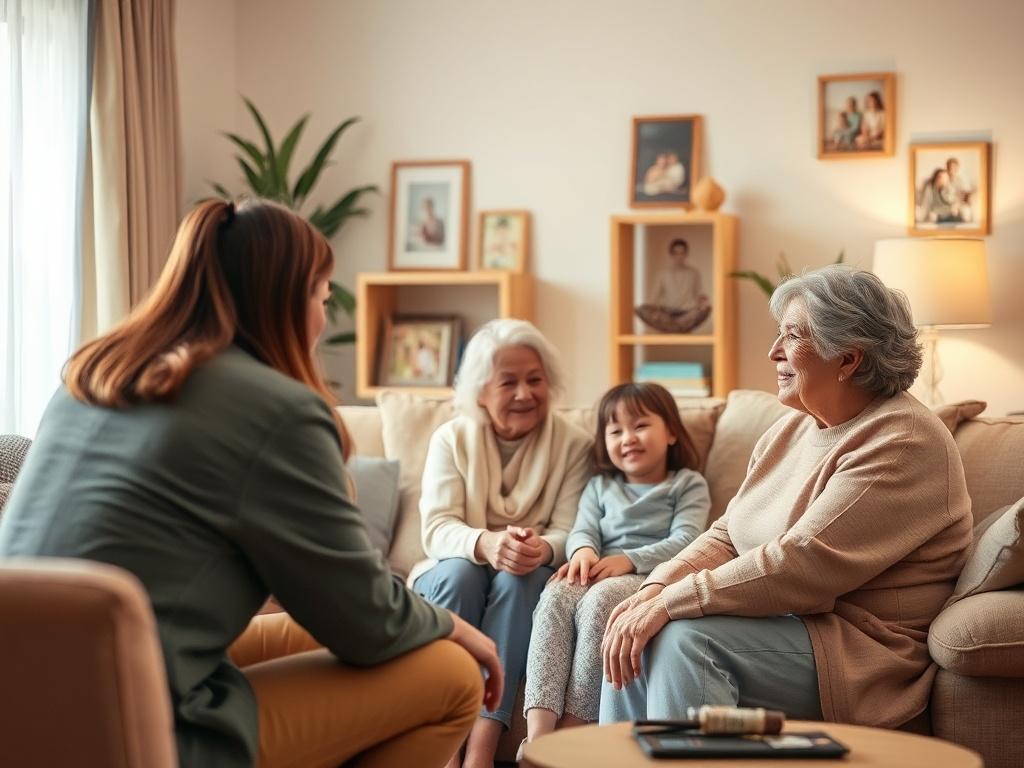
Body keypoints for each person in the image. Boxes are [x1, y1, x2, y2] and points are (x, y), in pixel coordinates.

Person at [0, 198, 501, 768]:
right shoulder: (277, 409)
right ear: (284, 300)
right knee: (451, 673)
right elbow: (365, 622)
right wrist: (458, 626)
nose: (323, 316)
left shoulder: (90, 379)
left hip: (21, 702)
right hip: (136, 726)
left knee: (319, 635)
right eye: (322, 296)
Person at [599, 265, 972, 731]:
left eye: (792, 336)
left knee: (683, 638)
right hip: (785, 623)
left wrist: (672, 602)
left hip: (862, 649)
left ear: (848, 359)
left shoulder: (903, 440)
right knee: (633, 620)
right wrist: (657, 585)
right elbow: (727, 534)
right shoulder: (792, 427)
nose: (773, 351)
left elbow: (801, 564)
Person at [412, 318, 593, 768]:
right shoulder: (451, 439)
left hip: (527, 575)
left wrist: (542, 548)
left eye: (535, 380)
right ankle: (445, 748)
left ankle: (481, 753)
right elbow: (436, 528)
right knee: (460, 572)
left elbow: (573, 528)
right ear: (479, 392)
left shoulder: (575, 444)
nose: (524, 394)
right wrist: (487, 543)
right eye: (507, 382)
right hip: (456, 571)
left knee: (522, 577)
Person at [521, 382, 710, 754]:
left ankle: (574, 730)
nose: (628, 438)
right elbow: (583, 528)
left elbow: (688, 540)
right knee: (555, 595)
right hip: (598, 567)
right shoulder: (599, 485)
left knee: (599, 604)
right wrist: (583, 551)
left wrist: (629, 560)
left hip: (649, 575)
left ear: (671, 432)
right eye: (616, 430)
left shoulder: (688, 484)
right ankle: (537, 739)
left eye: (640, 426)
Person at [635, 238, 711, 333]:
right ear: (671, 255)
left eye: (682, 253)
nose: (679, 256)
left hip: (687, 313)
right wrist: (652, 310)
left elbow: (699, 293)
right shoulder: (662, 273)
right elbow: (654, 296)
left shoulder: (693, 273)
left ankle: (673, 327)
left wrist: (703, 302)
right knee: (642, 309)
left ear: (686, 254)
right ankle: (678, 327)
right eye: (676, 253)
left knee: (706, 309)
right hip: (667, 314)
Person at [945, 157, 975, 222]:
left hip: (957, 202)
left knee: (966, 210)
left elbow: (962, 193)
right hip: (946, 202)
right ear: (947, 167)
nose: (953, 169)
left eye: (955, 167)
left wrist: (966, 197)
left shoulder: (959, 180)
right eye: (951, 167)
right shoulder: (943, 178)